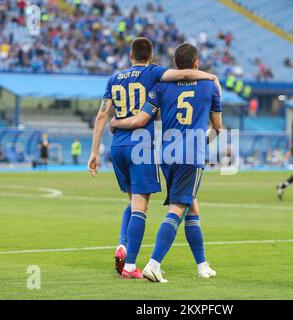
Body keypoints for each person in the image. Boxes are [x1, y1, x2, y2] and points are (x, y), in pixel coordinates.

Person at [87, 37, 219, 278]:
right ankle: (132, 265)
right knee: (143, 206)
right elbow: (186, 76)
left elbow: (100, 117)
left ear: (130, 55)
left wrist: (94, 152)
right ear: (151, 57)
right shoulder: (154, 74)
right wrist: (211, 77)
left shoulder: (114, 79)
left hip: (117, 146)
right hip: (141, 146)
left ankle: (124, 243)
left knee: (135, 202)